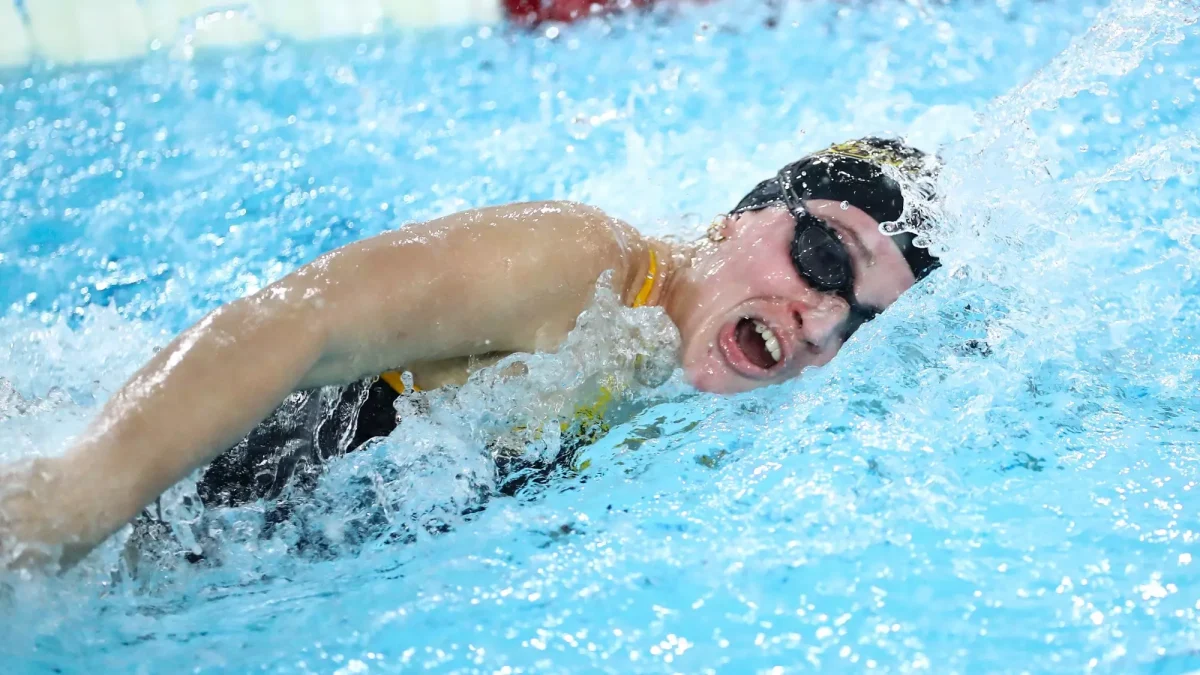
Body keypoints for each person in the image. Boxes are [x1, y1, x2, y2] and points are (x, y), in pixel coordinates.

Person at [0, 136, 942, 569]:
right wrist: (82, 491)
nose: (820, 319)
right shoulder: (583, 264)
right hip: (150, 512)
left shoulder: (685, 394)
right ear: (744, 213)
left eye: (858, 324)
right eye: (824, 255)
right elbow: (296, 317)